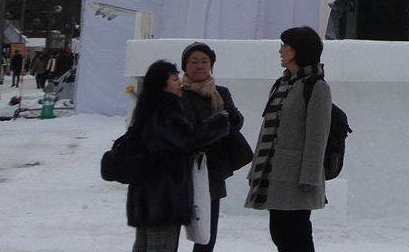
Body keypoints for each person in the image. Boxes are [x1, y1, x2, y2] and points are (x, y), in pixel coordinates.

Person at [125, 60, 229, 252]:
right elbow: (189, 139)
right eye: (174, 78)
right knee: (160, 246)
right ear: (162, 84)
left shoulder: (146, 110)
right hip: (163, 198)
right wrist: (219, 122)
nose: (180, 82)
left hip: (145, 196)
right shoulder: (166, 110)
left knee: (143, 246)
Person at [245, 26, 331, 252]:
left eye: (285, 46)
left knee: (297, 236)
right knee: (280, 234)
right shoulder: (282, 84)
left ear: (298, 51)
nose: (281, 51)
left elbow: (317, 136)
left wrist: (309, 178)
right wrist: (256, 169)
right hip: (274, 174)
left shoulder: (316, 86)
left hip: (296, 179)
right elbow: (267, 130)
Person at [178, 43, 250, 252]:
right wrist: (217, 123)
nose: (199, 66)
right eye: (194, 62)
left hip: (212, 170)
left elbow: (235, 123)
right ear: (185, 66)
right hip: (182, 170)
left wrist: (229, 115)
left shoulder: (220, 93)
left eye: (204, 61)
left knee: (206, 232)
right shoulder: (178, 95)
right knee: (171, 228)